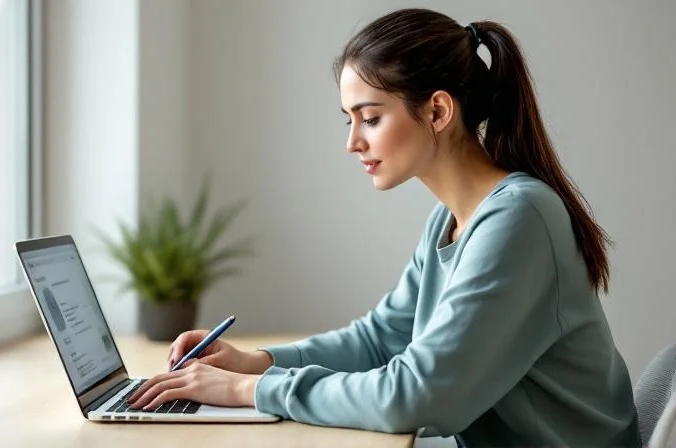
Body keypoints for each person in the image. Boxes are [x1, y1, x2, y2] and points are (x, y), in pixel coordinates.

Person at [128, 8, 641, 446]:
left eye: (369, 118)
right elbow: (381, 340)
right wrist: (253, 362)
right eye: (348, 120)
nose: (353, 141)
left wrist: (247, 391)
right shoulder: (453, 219)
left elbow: (414, 397)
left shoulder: (520, 219)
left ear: (438, 110)